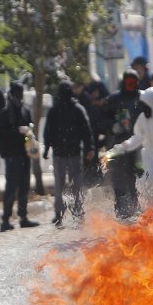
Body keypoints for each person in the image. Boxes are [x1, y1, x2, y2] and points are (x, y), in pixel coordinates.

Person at [43, 81, 94, 227]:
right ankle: (77, 213)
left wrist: (47, 149)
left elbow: (48, 132)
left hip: (60, 153)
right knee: (76, 185)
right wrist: (89, 148)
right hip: (73, 153)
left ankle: (59, 215)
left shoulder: (54, 110)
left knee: (59, 186)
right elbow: (87, 130)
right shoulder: (78, 109)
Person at [0, 82, 41, 232]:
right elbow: (1, 134)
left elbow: (30, 128)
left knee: (24, 186)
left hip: (24, 154)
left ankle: (23, 217)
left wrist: (29, 133)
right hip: (12, 155)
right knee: (11, 188)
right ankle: (6, 219)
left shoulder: (25, 111)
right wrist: (16, 131)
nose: (19, 97)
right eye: (17, 93)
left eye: (21, 93)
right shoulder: (4, 112)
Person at [104, 70, 143, 218]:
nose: (131, 84)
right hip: (118, 146)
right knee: (118, 178)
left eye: (134, 81)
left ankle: (135, 207)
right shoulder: (114, 99)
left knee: (137, 177)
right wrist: (113, 126)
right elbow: (101, 119)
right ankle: (121, 209)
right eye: (128, 81)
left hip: (138, 146)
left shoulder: (142, 98)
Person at [83, 79, 111, 186]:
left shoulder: (105, 99)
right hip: (92, 129)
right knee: (92, 153)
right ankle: (94, 174)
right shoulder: (87, 101)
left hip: (105, 127)